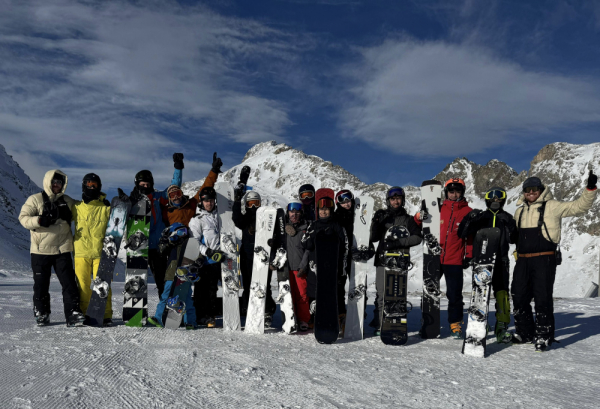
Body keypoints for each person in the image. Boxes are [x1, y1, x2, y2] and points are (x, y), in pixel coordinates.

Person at [511, 173, 597, 351]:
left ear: (541, 190)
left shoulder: (552, 206)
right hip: (522, 260)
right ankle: (525, 332)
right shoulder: (519, 211)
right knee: (519, 296)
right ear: (524, 192)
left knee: (542, 298)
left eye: (535, 189)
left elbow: (579, 207)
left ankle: (543, 336)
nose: (531, 192)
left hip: (544, 258)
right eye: (528, 190)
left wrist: (589, 190)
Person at [151, 153, 222, 329]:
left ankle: (190, 319)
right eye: (172, 195)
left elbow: (206, 188)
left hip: (190, 249)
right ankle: (161, 316)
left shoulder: (191, 205)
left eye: (178, 193)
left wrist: (213, 171)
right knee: (169, 283)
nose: (176, 196)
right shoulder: (166, 212)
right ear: (168, 199)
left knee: (185, 285)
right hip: (174, 250)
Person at [18, 170, 85, 327]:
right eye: (54, 182)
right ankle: (42, 314)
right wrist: (40, 220)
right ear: (48, 182)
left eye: (59, 183)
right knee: (41, 285)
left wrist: (96, 199)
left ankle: (73, 314)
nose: (56, 185)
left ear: (63, 185)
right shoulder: (35, 199)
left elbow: (83, 211)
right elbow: (23, 218)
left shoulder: (67, 201)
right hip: (40, 250)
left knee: (69, 284)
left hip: (62, 249)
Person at [457, 186, 518, 343]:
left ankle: (502, 326)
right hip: (482, 261)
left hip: (501, 260)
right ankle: (480, 323)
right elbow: (462, 233)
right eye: (492, 196)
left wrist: (511, 226)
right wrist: (469, 218)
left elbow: (514, 239)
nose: (495, 199)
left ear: (503, 199)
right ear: (487, 199)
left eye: (499, 196)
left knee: (502, 293)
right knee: (480, 293)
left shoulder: (507, 217)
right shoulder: (481, 216)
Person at [414, 178, 473, 338]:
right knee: (429, 292)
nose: (454, 194)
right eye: (451, 191)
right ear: (446, 192)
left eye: (457, 191)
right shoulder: (437, 209)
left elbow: (471, 237)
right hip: (435, 257)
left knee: (454, 294)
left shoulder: (468, 212)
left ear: (462, 192)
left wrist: (469, 254)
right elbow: (421, 225)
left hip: (454, 259)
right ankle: (427, 323)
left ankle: (455, 325)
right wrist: (418, 217)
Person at [118, 153, 183, 297]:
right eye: (142, 185)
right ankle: (136, 313)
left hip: (157, 246)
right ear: (137, 185)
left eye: (148, 185)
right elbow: (120, 218)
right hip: (138, 245)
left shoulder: (158, 197)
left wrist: (178, 168)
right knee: (137, 281)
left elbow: (174, 189)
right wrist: (123, 203)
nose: (145, 187)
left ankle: (163, 310)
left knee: (162, 280)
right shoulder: (131, 201)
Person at [370, 186, 422, 335]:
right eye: (393, 199)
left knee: (397, 295)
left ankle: (396, 323)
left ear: (403, 200)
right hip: (382, 260)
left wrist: (398, 242)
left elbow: (417, 238)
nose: (396, 201)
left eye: (398, 198)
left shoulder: (408, 219)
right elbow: (373, 238)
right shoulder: (383, 217)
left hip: (400, 262)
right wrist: (377, 222)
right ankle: (380, 324)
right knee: (381, 294)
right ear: (388, 201)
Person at [302, 190, 348, 329]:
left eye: (327, 210)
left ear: (331, 211)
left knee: (331, 293)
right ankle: (314, 319)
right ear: (318, 211)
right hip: (314, 266)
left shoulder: (337, 226)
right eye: (322, 210)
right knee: (314, 292)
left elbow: (344, 246)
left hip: (331, 267)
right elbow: (305, 244)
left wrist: (341, 268)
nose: (324, 212)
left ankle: (335, 319)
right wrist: (315, 234)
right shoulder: (313, 226)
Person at [71, 173, 113, 326]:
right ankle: (84, 313)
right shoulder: (76, 207)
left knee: (103, 284)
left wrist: (118, 206)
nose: (92, 187)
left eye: (94, 184)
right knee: (82, 285)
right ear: (83, 185)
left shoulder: (105, 208)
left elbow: (120, 221)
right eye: (89, 184)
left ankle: (106, 314)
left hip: (100, 253)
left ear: (99, 187)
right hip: (81, 252)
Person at [232, 189, 276, 322]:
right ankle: (248, 309)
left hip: (263, 258)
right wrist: (236, 202)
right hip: (247, 258)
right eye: (250, 203)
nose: (253, 207)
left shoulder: (265, 218)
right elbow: (236, 218)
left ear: (260, 204)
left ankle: (267, 311)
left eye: (255, 203)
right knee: (248, 285)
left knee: (264, 285)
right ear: (246, 204)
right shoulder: (244, 220)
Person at [271, 199, 311, 331]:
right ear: (288, 213)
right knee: (288, 295)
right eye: (292, 212)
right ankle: (290, 318)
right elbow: (277, 247)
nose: (294, 215)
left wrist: (303, 266)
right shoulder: (282, 230)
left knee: (302, 295)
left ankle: (304, 320)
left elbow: (308, 250)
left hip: (299, 268)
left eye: (297, 212)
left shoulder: (305, 229)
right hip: (285, 269)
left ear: (301, 213)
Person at [334, 189, 355, 332]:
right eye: (343, 202)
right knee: (339, 288)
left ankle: (357, 317)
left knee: (357, 287)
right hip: (340, 258)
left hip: (355, 257)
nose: (347, 204)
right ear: (338, 203)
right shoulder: (335, 218)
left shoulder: (359, 215)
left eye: (348, 201)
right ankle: (341, 317)